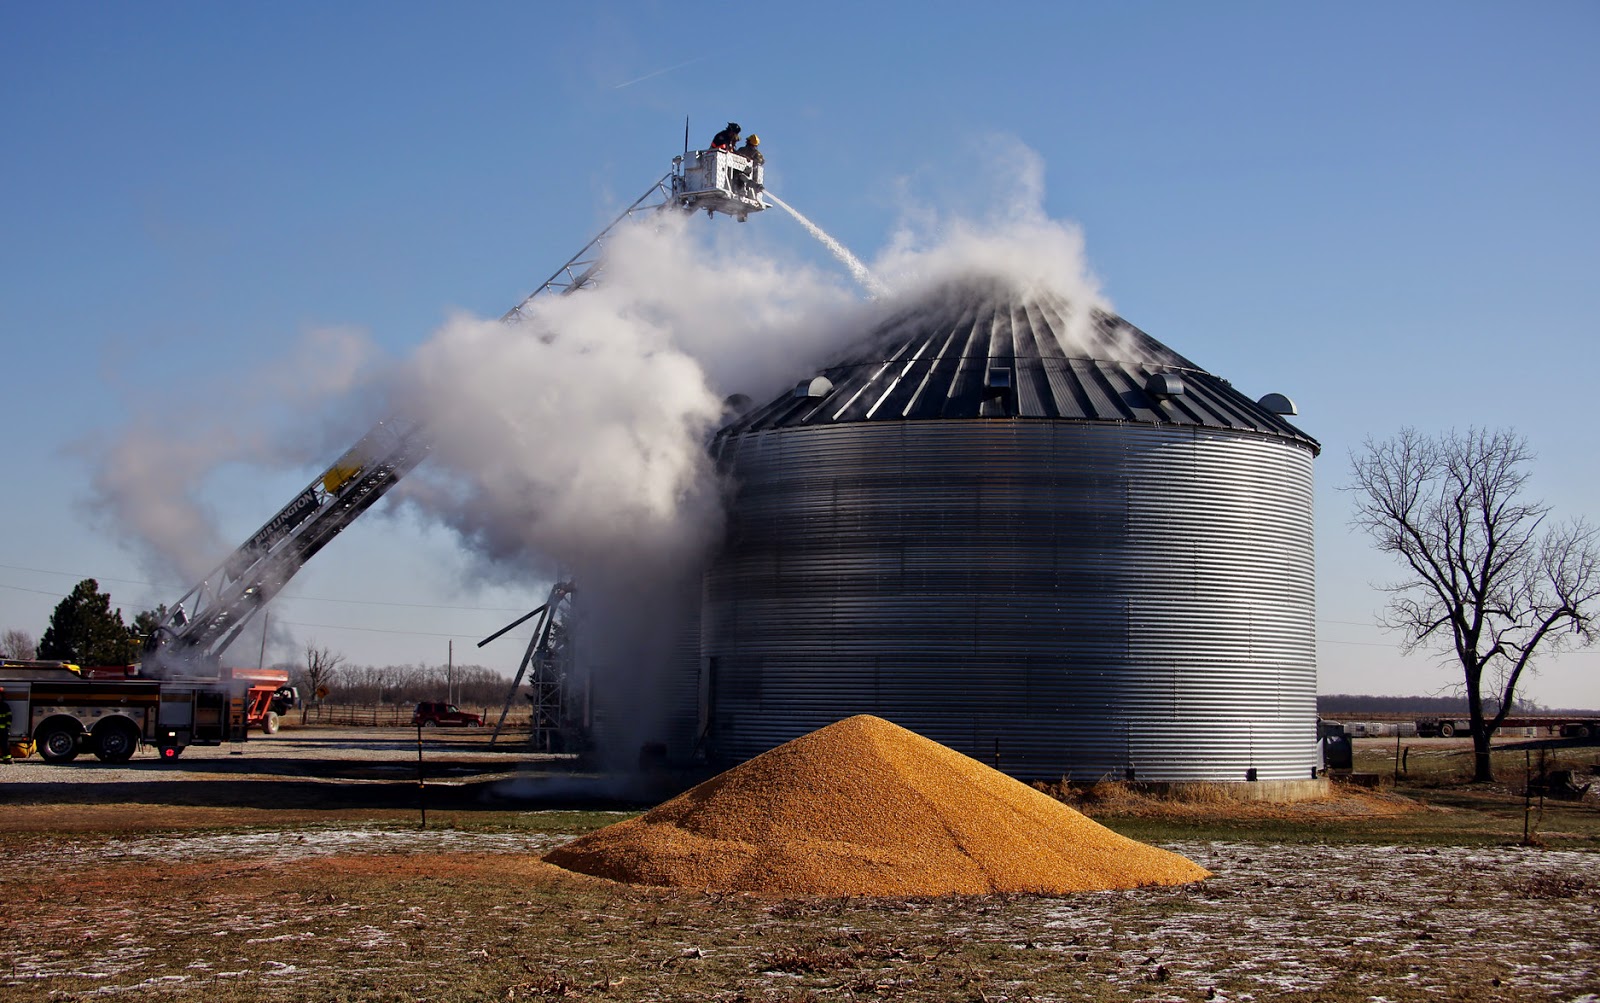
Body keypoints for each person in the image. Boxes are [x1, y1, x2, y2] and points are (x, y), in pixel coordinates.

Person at [0, 688, 12, 763]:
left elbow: (9, 717)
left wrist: (7, 726)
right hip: (3, 729)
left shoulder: (5, 706)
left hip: (3, 729)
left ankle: (7, 758)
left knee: (4, 744)